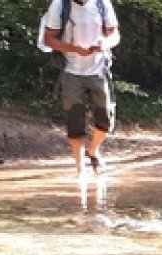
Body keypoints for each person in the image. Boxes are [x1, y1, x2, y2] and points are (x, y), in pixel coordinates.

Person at [42, 0, 119, 176]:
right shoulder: (59, 5)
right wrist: (74, 49)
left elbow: (115, 35)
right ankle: (80, 169)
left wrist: (104, 45)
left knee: (106, 120)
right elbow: (48, 39)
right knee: (74, 120)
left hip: (99, 70)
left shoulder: (102, 3)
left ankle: (93, 151)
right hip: (71, 71)